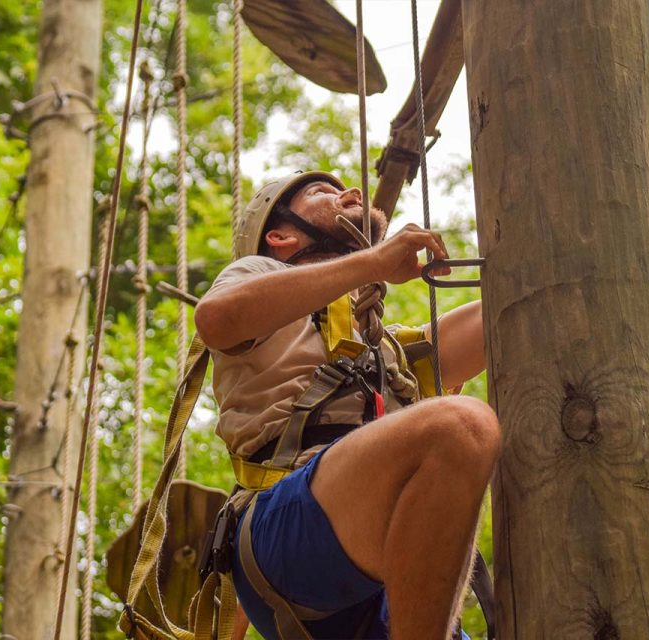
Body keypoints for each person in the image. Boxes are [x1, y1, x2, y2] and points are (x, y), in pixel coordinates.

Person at [194, 171, 501, 640]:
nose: (351, 194)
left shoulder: (381, 352)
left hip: (376, 568)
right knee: (461, 425)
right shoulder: (258, 273)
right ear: (280, 236)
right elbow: (217, 319)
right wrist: (372, 263)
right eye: (324, 194)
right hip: (287, 531)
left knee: (459, 424)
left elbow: (501, 319)